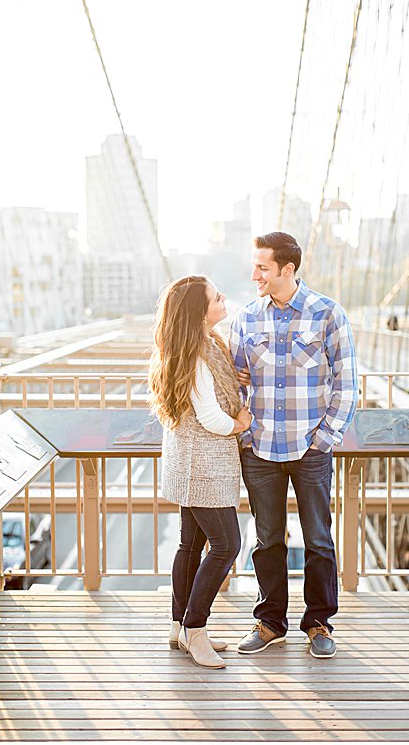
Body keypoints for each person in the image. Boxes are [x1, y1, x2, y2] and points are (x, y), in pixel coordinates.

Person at [229, 231, 356, 659]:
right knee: (267, 539)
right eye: (255, 266)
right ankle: (270, 623)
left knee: (319, 538)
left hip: (310, 450)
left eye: (263, 267)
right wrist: (244, 431)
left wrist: (324, 439)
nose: (254, 275)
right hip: (260, 448)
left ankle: (319, 623)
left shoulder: (328, 314)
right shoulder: (246, 317)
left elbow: (348, 383)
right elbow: (232, 380)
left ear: (288, 269)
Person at [149, 275, 253, 669]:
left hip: (191, 462)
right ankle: (196, 629)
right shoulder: (195, 356)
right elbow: (210, 415)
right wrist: (240, 423)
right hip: (203, 466)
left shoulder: (200, 347)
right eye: (215, 297)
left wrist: (235, 379)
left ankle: (178, 626)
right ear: (198, 311)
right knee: (227, 545)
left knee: (189, 546)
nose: (223, 298)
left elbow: (211, 389)